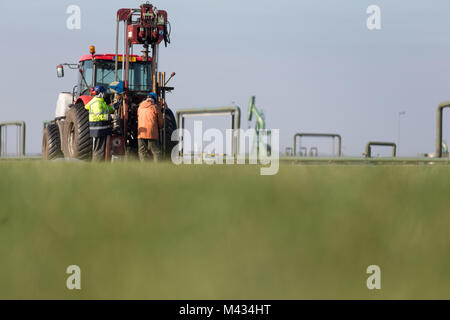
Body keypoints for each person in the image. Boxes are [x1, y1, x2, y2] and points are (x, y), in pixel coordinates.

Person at [84, 85, 115, 161]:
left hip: (101, 129)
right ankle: (97, 166)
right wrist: (109, 117)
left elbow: (107, 109)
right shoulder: (96, 103)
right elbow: (98, 116)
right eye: (104, 92)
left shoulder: (101, 102)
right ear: (100, 93)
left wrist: (114, 107)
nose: (105, 94)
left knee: (101, 148)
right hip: (98, 128)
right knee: (99, 149)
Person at [137, 92, 164, 162]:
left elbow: (138, 117)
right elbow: (160, 121)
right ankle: (157, 167)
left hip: (141, 133)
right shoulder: (155, 107)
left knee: (142, 151)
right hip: (152, 133)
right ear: (154, 99)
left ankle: (144, 167)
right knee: (155, 151)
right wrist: (161, 127)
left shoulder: (140, 107)